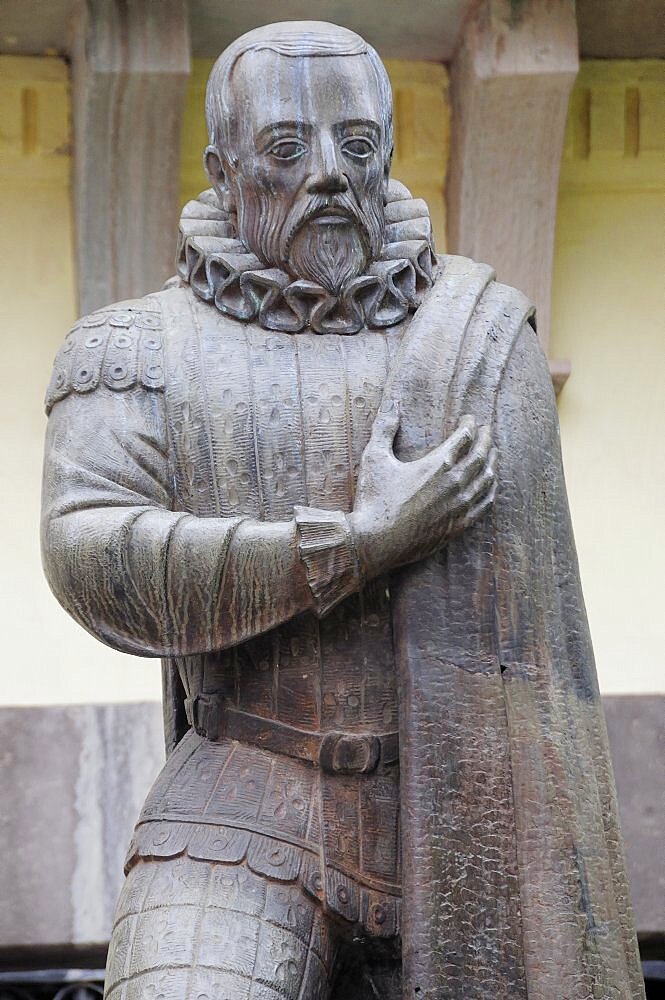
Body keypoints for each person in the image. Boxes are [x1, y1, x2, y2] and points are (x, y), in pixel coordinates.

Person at [42, 21, 644, 1000]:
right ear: (223, 167)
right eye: (287, 149)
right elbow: (90, 553)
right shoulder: (131, 348)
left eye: (355, 146)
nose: (327, 172)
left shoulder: (481, 338)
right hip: (240, 807)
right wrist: (355, 545)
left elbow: (539, 666)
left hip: (457, 815)